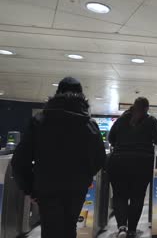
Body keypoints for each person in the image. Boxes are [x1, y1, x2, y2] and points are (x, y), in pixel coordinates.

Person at [11, 77, 106, 238]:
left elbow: (19, 161)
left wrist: (30, 188)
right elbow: (100, 159)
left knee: (49, 228)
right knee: (69, 226)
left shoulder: (39, 121)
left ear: (56, 94)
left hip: (46, 186)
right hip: (76, 187)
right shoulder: (89, 124)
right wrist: (84, 177)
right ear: (82, 96)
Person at [108, 97, 157, 238]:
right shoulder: (150, 120)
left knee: (120, 195)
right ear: (147, 108)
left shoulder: (122, 119)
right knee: (137, 197)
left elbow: (110, 138)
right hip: (142, 164)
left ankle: (122, 227)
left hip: (119, 162)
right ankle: (132, 229)